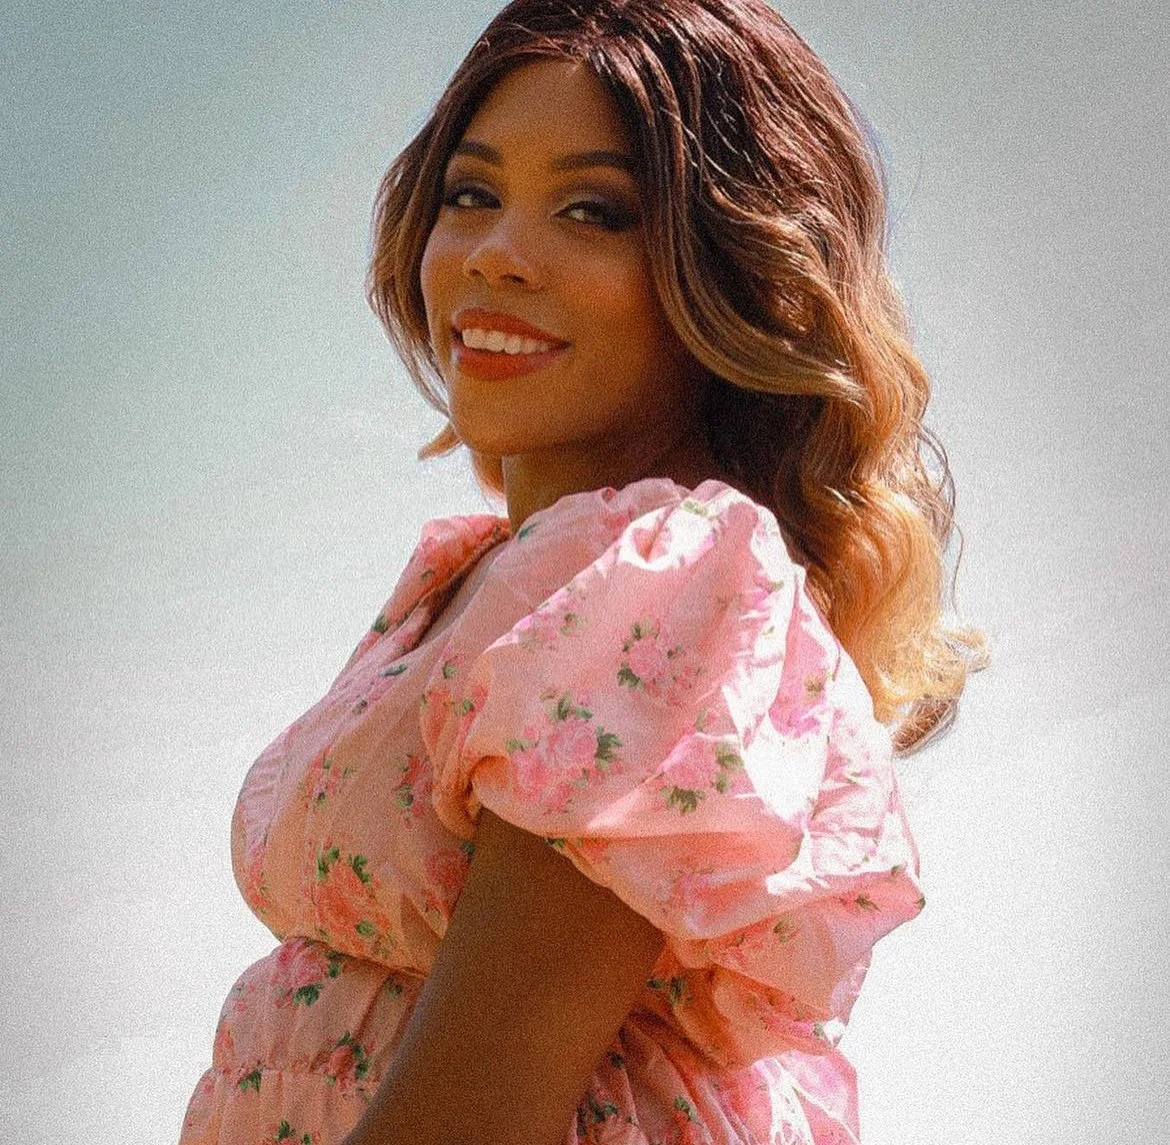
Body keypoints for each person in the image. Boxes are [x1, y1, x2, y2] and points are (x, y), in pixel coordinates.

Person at [180, 1, 984, 1143]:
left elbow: (467, 1121)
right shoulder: (478, 577)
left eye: (593, 211)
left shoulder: (659, 582)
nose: (498, 253)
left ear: (730, 268)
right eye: (471, 193)